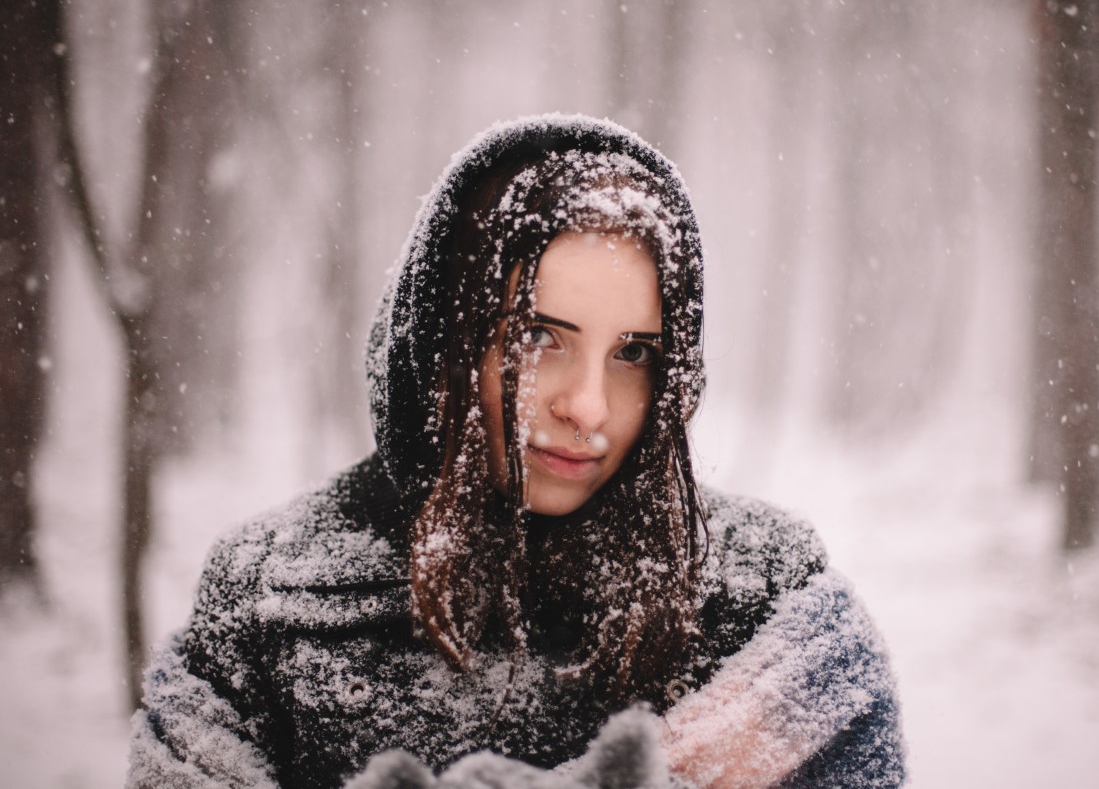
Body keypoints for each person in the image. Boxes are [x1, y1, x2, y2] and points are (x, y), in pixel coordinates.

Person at [127, 115, 905, 789]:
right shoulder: (274, 600)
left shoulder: (758, 601)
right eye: (539, 338)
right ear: (440, 341)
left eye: (635, 355)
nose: (588, 407)